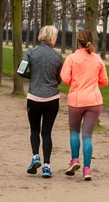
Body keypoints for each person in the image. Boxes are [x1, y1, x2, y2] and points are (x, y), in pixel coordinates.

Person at [60, 30, 109, 181]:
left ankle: (75, 160)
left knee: (74, 131)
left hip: (76, 100)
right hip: (94, 101)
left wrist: (76, 80)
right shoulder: (98, 59)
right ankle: (87, 169)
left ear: (78, 42)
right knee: (87, 135)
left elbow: (65, 78)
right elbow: (104, 81)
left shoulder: (71, 58)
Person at [21, 25, 63, 178]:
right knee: (47, 132)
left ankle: (35, 157)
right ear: (52, 37)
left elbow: (20, 71)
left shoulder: (31, 52)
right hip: (52, 98)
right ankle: (47, 166)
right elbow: (59, 78)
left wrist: (32, 77)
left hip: (34, 97)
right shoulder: (57, 56)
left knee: (34, 130)